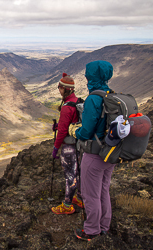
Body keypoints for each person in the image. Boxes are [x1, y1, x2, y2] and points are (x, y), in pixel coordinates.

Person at [69, 60, 116, 241]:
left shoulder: (93, 99)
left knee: (90, 195)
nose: (87, 77)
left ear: (92, 76)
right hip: (109, 154)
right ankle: (104, 227)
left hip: (94, 155)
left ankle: (91, 231)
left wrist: (75, 131)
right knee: (104, 191)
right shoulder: (110, 95)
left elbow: (87, 131)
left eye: (88, 74)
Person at [51, 73, 84, 215]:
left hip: (69, 147)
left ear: (66, 88)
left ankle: (67, 205)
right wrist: (59, 125)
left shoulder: (66, 107)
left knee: (70, 175)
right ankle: (80, 198)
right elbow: (73, 122)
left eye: (60, 87)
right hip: (79, 145)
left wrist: (56, 148)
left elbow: (64, 131)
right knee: (80, 173)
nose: (59, 90)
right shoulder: (77, 101)